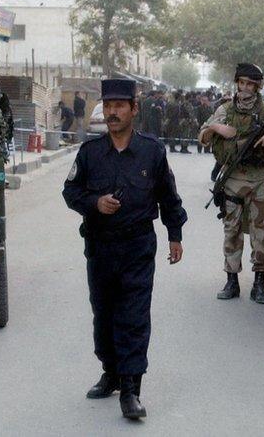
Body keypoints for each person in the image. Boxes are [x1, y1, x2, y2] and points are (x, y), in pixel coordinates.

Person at [62, 79, 187, 420]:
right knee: (103, 315)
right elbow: (70, 191)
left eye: (120, 105)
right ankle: (111, 372)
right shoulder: (90, 153)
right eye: (108, 105)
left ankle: (131, 389)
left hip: (137, 246)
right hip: (100, 247)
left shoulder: (152, 151)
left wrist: (174, 234)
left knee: (133, 316)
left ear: (134, 109)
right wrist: (94, 202)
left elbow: (168, 196)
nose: (112, 111)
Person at [199, 63, 264, 304]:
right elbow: (202, 137)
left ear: (257, 87)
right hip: (233, 178)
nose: (245, 89)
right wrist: (215, 127)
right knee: (231, 229)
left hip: (262, 179)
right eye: (241, 83)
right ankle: (231, 280)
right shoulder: (224, 111)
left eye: (250, 84)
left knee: (261, 231)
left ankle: (258, 283)